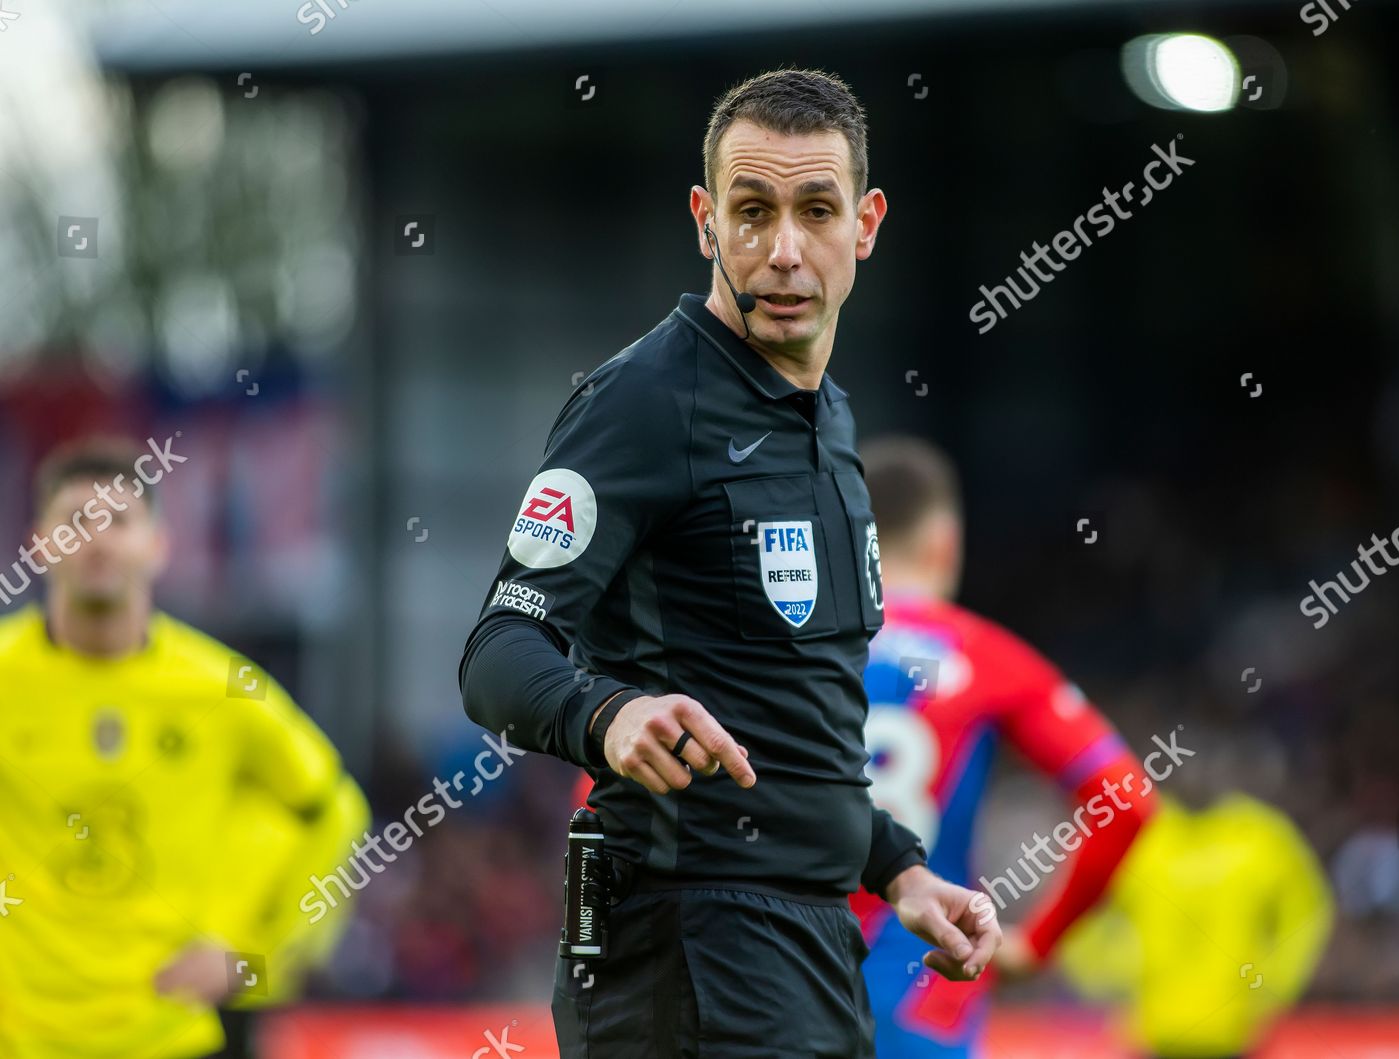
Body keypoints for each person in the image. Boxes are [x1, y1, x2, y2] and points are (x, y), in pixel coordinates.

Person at [459, 68, 1001, 1058]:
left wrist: (900, 873)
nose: (784, 251)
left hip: (816, 944)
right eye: (753, 212)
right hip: (681, 943)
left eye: (816, 211)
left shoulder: (829, 421)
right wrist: (606, 713)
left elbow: (795, 720)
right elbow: (498, 649)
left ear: (866, 224)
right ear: (707, 220)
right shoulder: (642, 404)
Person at [0, 437, 370, 1058]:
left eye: (118, 521)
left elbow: (334, 811)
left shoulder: (219, 688)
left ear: (157, 544)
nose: (98, 541)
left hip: (176, 1037)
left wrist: (258, 961)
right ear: (40, 542)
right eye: (76, 522)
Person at [850, 435, 1157, 1057]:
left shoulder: (786, 656)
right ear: (945, 544)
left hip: (788, 988)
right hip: (930, 993)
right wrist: (1040, 944)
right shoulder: (990, 657)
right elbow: (1126, 802)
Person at [1056, 738, 1334, 1059]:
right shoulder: (1142, 831)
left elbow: (1308, 913)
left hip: (1233, 1036)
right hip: (1155, 1035)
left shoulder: (1262, 838)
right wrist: (1112, 972)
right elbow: (1077, 905)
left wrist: (1273, 986)